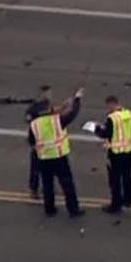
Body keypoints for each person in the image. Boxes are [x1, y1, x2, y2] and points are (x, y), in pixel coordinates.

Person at [28, 87, 86, 217]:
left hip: (44, 158)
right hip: (59, 157)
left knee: (47, 185)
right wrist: (77, 99)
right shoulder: (57, 121)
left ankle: (49, 209)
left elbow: (31, 141)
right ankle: (73, 210)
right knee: (67, 185)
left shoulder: (34, 124)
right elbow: (72, 114)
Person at [93, 95, 131, 214]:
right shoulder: (129, 114)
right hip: (128, 150)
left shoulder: (112, 118)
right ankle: (128, 200)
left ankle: (116, 204)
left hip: (116, 153)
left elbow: (106, 133)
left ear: (111, 104)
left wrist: (96, 129)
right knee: (127, 177)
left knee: (115, 179)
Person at [23, 85, 52, 200]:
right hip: (38, 141)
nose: (48, 95)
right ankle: (33, 189)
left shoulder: (49, 106)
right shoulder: (35, 108)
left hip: (48, 141)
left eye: (49, 93)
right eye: (46, 93)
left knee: (48, 166)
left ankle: (47, 188)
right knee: (36, 167)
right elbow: (29, 121)